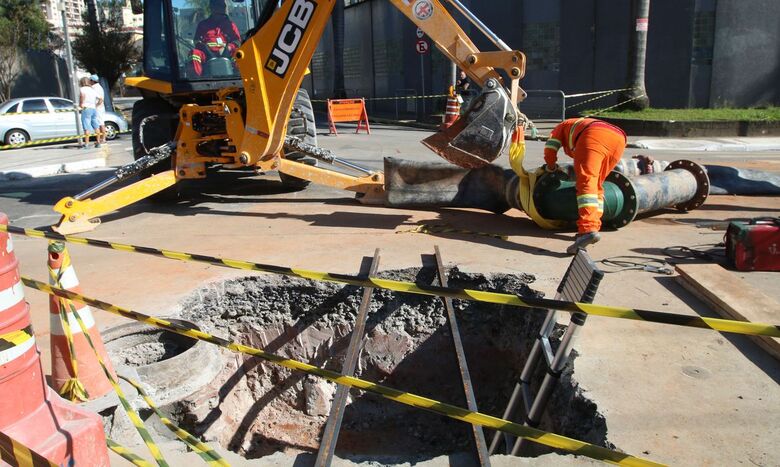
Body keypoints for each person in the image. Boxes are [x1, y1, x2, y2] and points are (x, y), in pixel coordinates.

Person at [543, 117, 627, 254]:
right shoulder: (577, 124)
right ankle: (594, 225)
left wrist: (551, 166)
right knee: (596, 185)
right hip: (619, 139)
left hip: (593, 135)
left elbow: (550, 147)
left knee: (586, 184)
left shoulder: (561, 126)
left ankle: (588, 230)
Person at [190, 0, 241, 77]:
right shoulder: (203, 24)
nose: (221, 8)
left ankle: (240, 78)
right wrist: (205, 48)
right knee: (194, 54)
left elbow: (237, 41)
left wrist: (229, 48)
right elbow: (196, 40)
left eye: (222, 6)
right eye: (218, 6)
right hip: (206, 54)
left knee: (239, 54)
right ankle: (197, 80)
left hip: (227, 53)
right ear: (211, 8)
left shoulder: (230, 25)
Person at [78, 76, 102, 148]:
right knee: (96, 126)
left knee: (86, 126)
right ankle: (98, 142)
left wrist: (81, 104)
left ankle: (87, 144)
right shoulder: (92, 90)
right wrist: (96, 105)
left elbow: (82, 96)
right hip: (93, 108)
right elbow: (101, 99)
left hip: (86, 108)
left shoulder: (82, 89)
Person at [90, 74, 106, 145]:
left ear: (92, 81)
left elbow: (100, 99)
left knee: (100, 123)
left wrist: (96, 106)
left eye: (90, 80)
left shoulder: (94, 88)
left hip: (98, 108)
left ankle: (102, 139)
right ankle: (102, 139)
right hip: (101, 107)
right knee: (100, 123)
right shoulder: (100, 87)